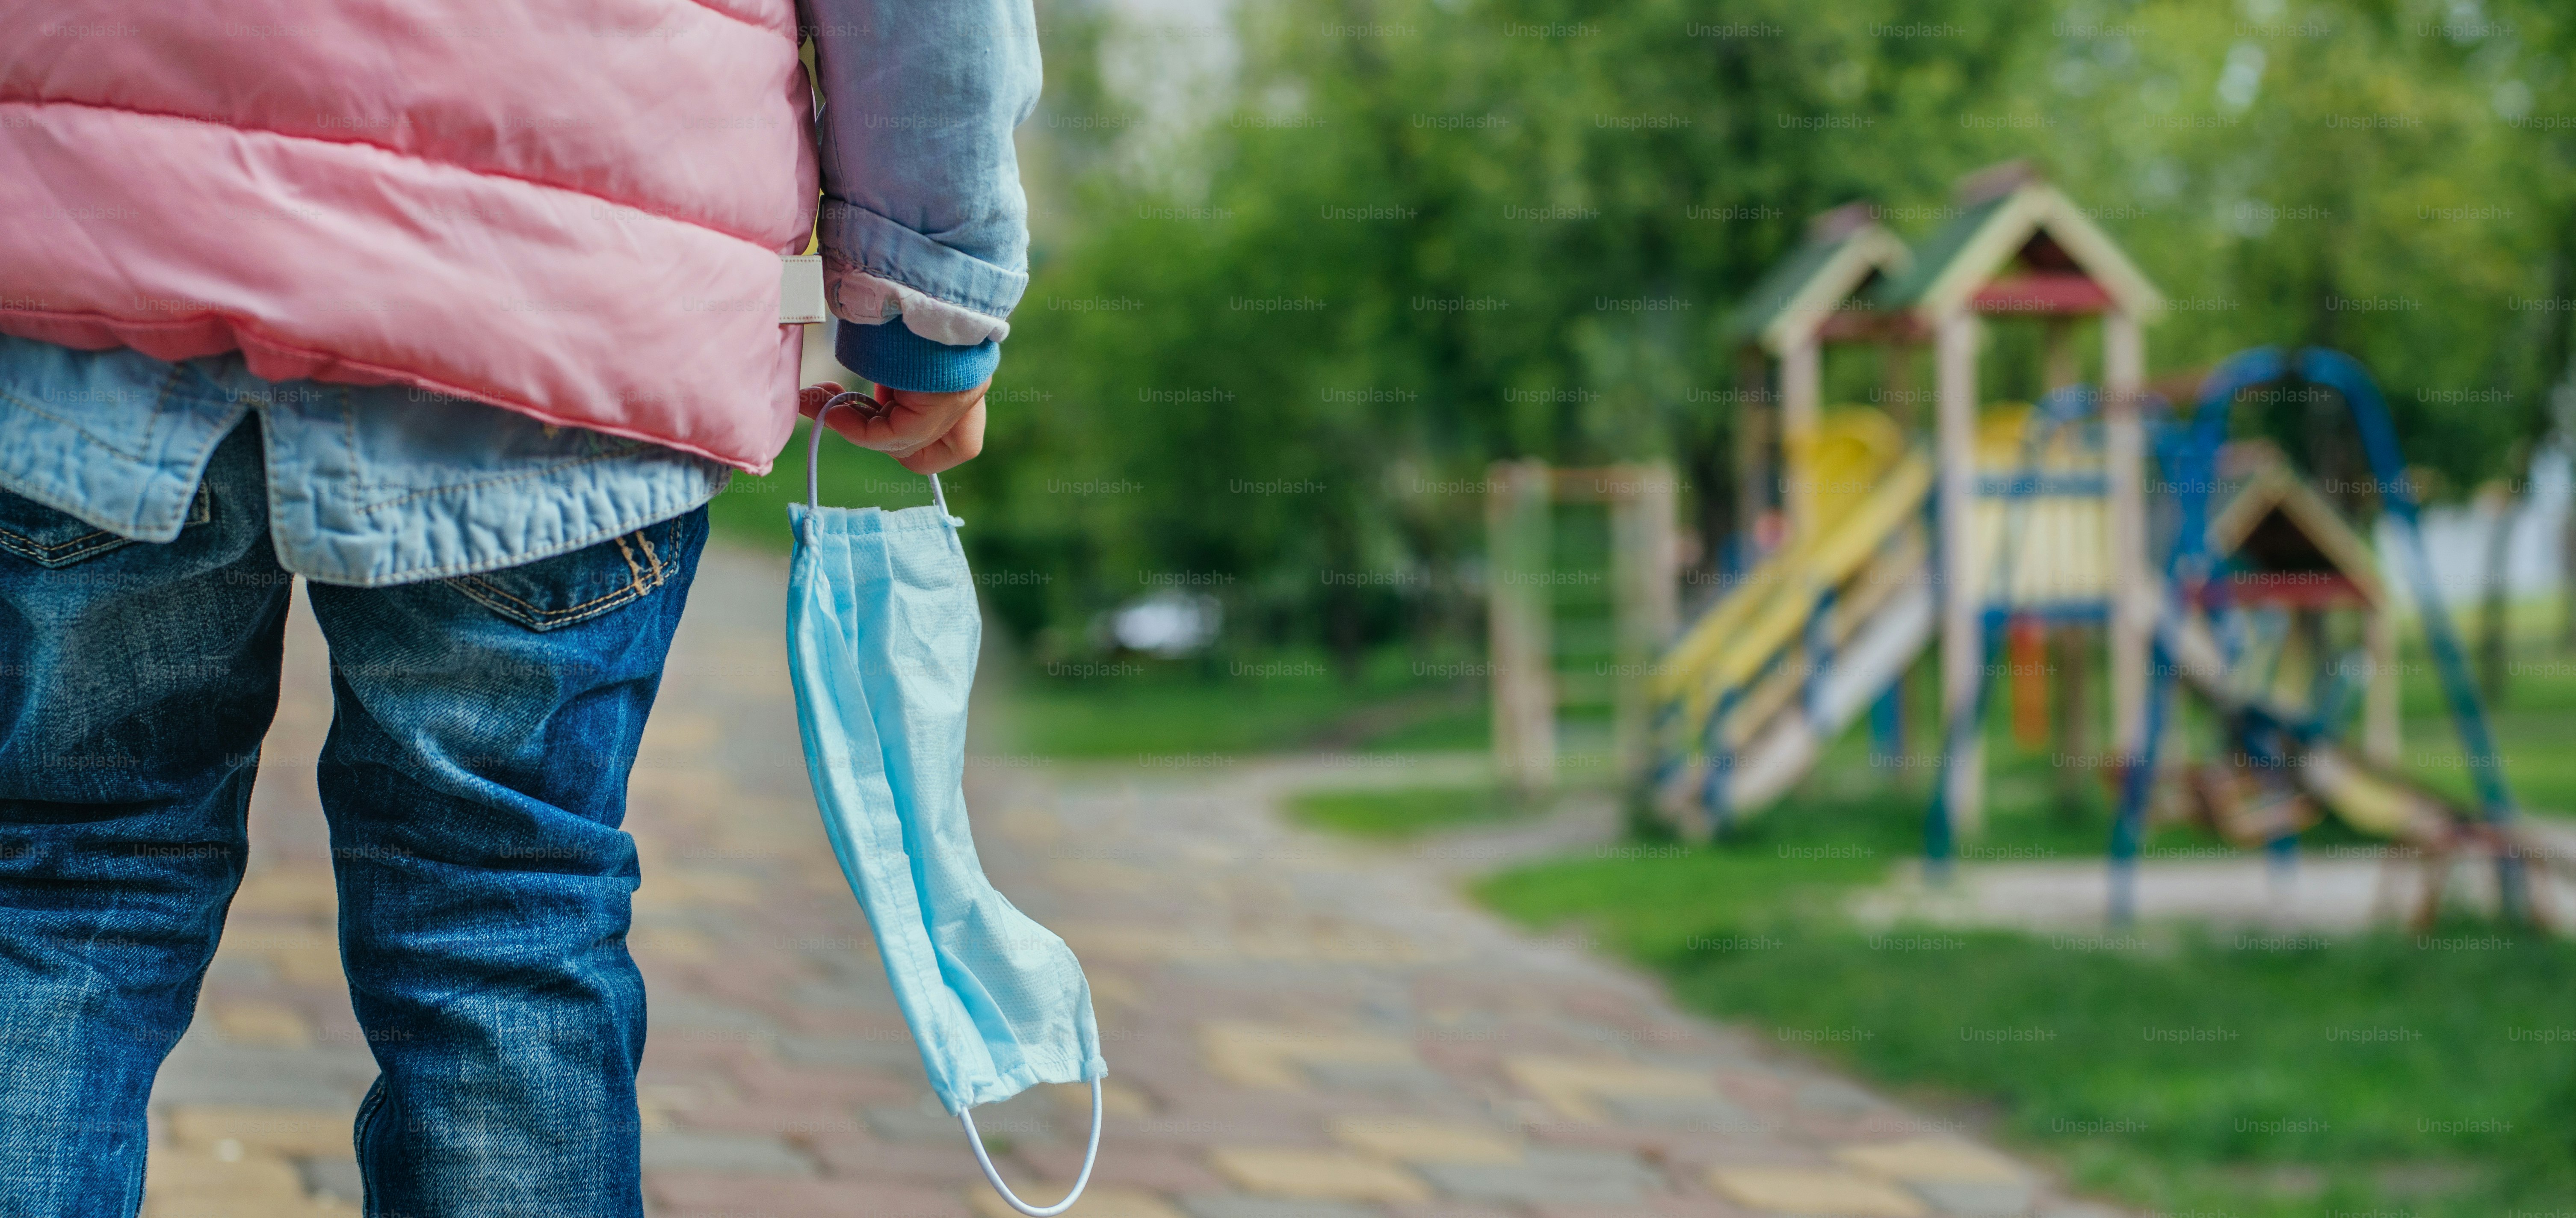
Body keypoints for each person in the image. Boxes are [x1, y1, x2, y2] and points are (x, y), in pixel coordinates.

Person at [0, 0, 1037, 1212]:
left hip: (83, 273)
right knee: (502, 924)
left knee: (60, 889)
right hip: (555, 323)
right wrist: (928, 305)